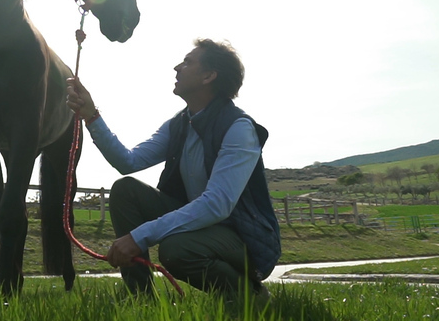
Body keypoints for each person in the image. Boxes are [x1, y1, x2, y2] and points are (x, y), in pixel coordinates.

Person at [66, 38, 280, 297]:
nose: (177, 67)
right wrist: (91, 115)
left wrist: (140, 236)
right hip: (202, 226)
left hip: (241, 237)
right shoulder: (179, 124)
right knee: (126, 190)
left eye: (188, 62)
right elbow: (128, 162)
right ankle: (141, 298)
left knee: (176, 250)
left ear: (209, 76)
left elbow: (217, 205)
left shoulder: (239, 128)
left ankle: (250, 296)